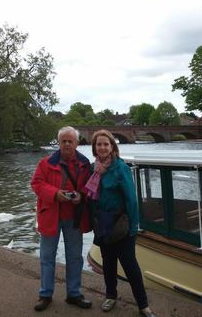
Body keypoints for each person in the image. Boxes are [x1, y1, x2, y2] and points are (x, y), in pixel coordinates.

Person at [85, 129, 157, 317]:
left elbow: (131, 200)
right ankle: (111, 296)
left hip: (121, 224)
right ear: (95, 148)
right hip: (102, 224)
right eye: (98, 144)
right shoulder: (93, 169)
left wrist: (133, 228)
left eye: (105, 144)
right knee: (108, 263)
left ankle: (143, 305)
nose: (102, 147)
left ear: (112, 147)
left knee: (130, 266)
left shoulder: (120, 168)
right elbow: (92, 199)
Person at [31, 126, 93, 311]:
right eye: (63, 141)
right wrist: (55, 194)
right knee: (47, 257)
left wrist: (81, 196)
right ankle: (45, 294)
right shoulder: (46, 163)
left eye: (70, 141)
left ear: (77, 143)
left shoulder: (84, 164)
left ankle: (74, 294)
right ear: (58, 143)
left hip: (74, 217)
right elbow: (36, 184)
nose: (67, 144)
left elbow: (90, 187)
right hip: (51, 214)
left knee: (74, 257)